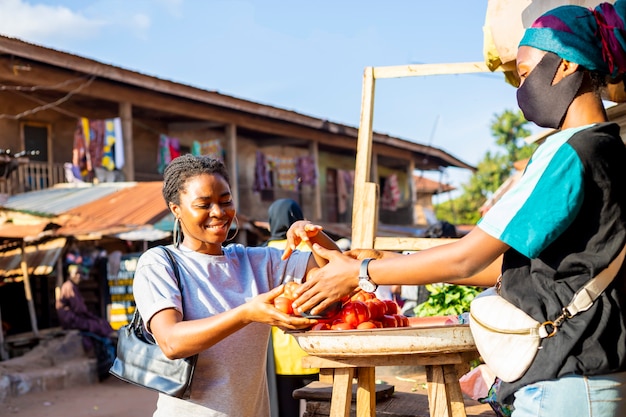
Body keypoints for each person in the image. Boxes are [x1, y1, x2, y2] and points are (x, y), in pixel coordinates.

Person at [289, 2, 626, 416]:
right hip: (579, 373)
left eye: (524, 74)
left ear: (566, 65)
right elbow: (511, 266)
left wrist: (361, 274)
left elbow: (469, 257)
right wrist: (387, 260)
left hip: (571, 381)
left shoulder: (571, 151)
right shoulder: (608, 147)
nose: (522, 90)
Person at [132, 155, 339, 417]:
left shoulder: (256, 260)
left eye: (225, 201)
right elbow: (172, 341)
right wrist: (245, 314)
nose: (218, 212)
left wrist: (312, 234)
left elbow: (337, 271)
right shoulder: (159, 263)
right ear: (176, 210)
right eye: (203, 205)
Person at [264, 198, 319, 417]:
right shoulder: (313, 251)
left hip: (278, 352)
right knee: (322, 407)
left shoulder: (261, 254)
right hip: (313, 346)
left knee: (285, 411)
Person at [56, 264, 115, 339]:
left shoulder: (73, 286)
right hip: (71, 320)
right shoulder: (69, 287)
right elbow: (79, 309)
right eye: (76, 273)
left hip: (74, 318)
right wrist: (91, 317)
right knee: (97, 325)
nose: (79, 276)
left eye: (80, 273)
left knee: (103, 323)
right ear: (70, 274)